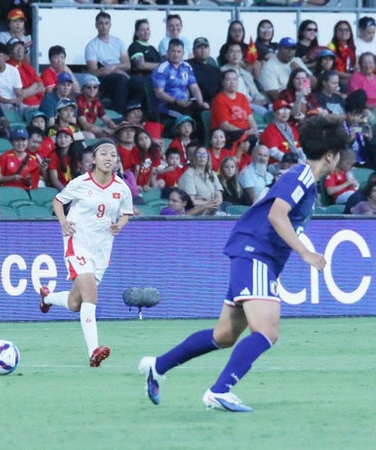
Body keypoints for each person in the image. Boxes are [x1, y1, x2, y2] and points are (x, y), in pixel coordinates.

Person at [137, 115, 347, 412]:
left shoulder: (306, 182)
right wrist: (305, 253)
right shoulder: (301, 176)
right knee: (267, 331)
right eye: (339, 153)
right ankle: (219, 391)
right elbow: (277, 215)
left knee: (224, 335)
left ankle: (158, 366)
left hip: (253, 254)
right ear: (330, 155)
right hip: (256, 252)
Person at [40, 139, 133, 367]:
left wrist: (120, 225)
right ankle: (93, 351)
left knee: (75, 303)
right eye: (104, 154)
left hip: (101, 248)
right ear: (93, 159)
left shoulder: (121, 188)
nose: (109, 158)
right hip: (78, 242)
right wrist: (63, 222)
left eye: (113, 154)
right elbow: (58, 201)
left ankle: (47, 297)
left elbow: (126, 213)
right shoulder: (80, 183)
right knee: (90, 296)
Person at [85, 12, 139, 114]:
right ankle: (121, 114)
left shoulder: (118, 41)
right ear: (96, 25)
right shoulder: (92, 46)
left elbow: (127, 65)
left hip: (119, 72)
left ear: (110, 25)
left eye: (106, 23)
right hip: (104, 77)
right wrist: (114, 71)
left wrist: (114, 68)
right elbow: (94, 71)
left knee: (140, 82)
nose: (104, 26)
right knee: (121, 80)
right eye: (101, 23)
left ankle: (140, 114)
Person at [153, 39, 208, 121]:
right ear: (168, 52)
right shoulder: (162, 68)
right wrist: (176, 101)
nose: (176, 54)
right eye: (173, 51)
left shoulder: (187, 66)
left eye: (179, 52)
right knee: (184, 118)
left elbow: (194, 87)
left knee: (203, 113)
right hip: (167, 105)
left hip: (185, 103)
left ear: (183, 54)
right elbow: (159, 93)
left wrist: (201, 103)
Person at [210, 70, 257, 146]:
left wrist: (254, 129)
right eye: (228, 80)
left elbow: (250, 118)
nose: (232, 82)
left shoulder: (242, 97)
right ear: (223, 82)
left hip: (245, 133)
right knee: (247, 141)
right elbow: (225, 125)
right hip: (229, 133)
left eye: (235, 79)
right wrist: (245, 132)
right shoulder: (219, 99)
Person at [220, 43, 269, 116]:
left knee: (275, 108)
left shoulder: (246, 74)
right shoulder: (222, 72)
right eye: (232, 51)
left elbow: (256, 93)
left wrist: (261, 100)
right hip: (237, 105)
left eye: (238, 52)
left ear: (242, 55)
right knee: (265, 112)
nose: (235, 54)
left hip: (252, 103)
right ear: (226, 56)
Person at [259, 38, 311, 102]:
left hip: (304, 99)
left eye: (293, 48)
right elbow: (274, 95)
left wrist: (300, 70)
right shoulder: (269, 67)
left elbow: (314, 84)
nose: (290, 51)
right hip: (284, 105)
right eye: (287, 48)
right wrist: (296, 102)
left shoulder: (297, 60)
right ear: (279, 49)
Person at [178, 146, 223, 215]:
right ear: (194, 158)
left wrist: (215, 202)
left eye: (204, 154)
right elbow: (191, 201)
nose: (202, 157)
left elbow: (219, 196)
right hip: (196, 211)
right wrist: (209, 203)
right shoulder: (189, 174)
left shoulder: (212, 174)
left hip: (213, 208)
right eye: (199, 154)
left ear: (208, 158)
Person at [77, 74, 117, 138]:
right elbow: (84, 125)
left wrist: (115, 128)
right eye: (88, 87)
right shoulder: (79, 100)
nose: (92, 89)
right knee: (93, 135)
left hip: (92, 129)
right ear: (83, 88)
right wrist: (107, 131)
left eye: (95, 87)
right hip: (79, 130)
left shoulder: (96, 101)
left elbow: (106, 119)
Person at [7, 40, 44, 109]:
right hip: (23, 105)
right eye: (16, 48)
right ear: (10, 53)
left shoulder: (26, 66)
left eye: (21, 48)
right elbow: (20, 94)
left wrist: (29, 91)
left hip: (38, 102)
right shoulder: (9, 67)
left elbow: (42, 87)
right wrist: (34, 86)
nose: (19, 51)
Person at [188, 38, 222, 106]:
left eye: (205, 47)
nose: (203, 50)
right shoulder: (187, 66)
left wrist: (210, 103)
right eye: (199, 47)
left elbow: (220, 91)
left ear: (209, 50)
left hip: (214, 104)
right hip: (193, 105)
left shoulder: (216, 70)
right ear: (193, 51)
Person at [327, 21, 356, 87]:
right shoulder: (331, 46)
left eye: (346, 30)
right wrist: (350, 76)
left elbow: (355, 65)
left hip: (349, 76)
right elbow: (331, 69)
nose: (344, 32)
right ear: (335, 32)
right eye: (340, 30)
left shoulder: (351, 46)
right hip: (336, 77)